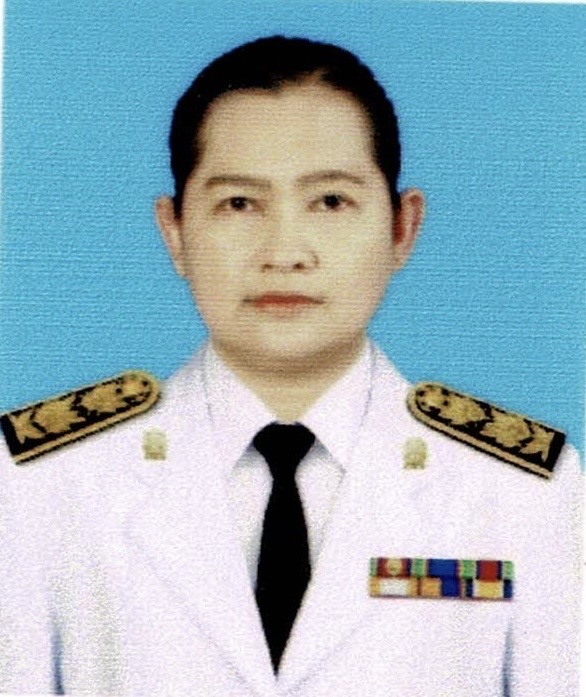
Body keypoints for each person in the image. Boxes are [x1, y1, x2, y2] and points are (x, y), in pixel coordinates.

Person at [0, 36, 581, 696]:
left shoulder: (519, 490)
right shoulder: (44, 482)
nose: (284, 252)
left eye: (330, 202)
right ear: (175, 231)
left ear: (402, 228)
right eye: (239, 204)